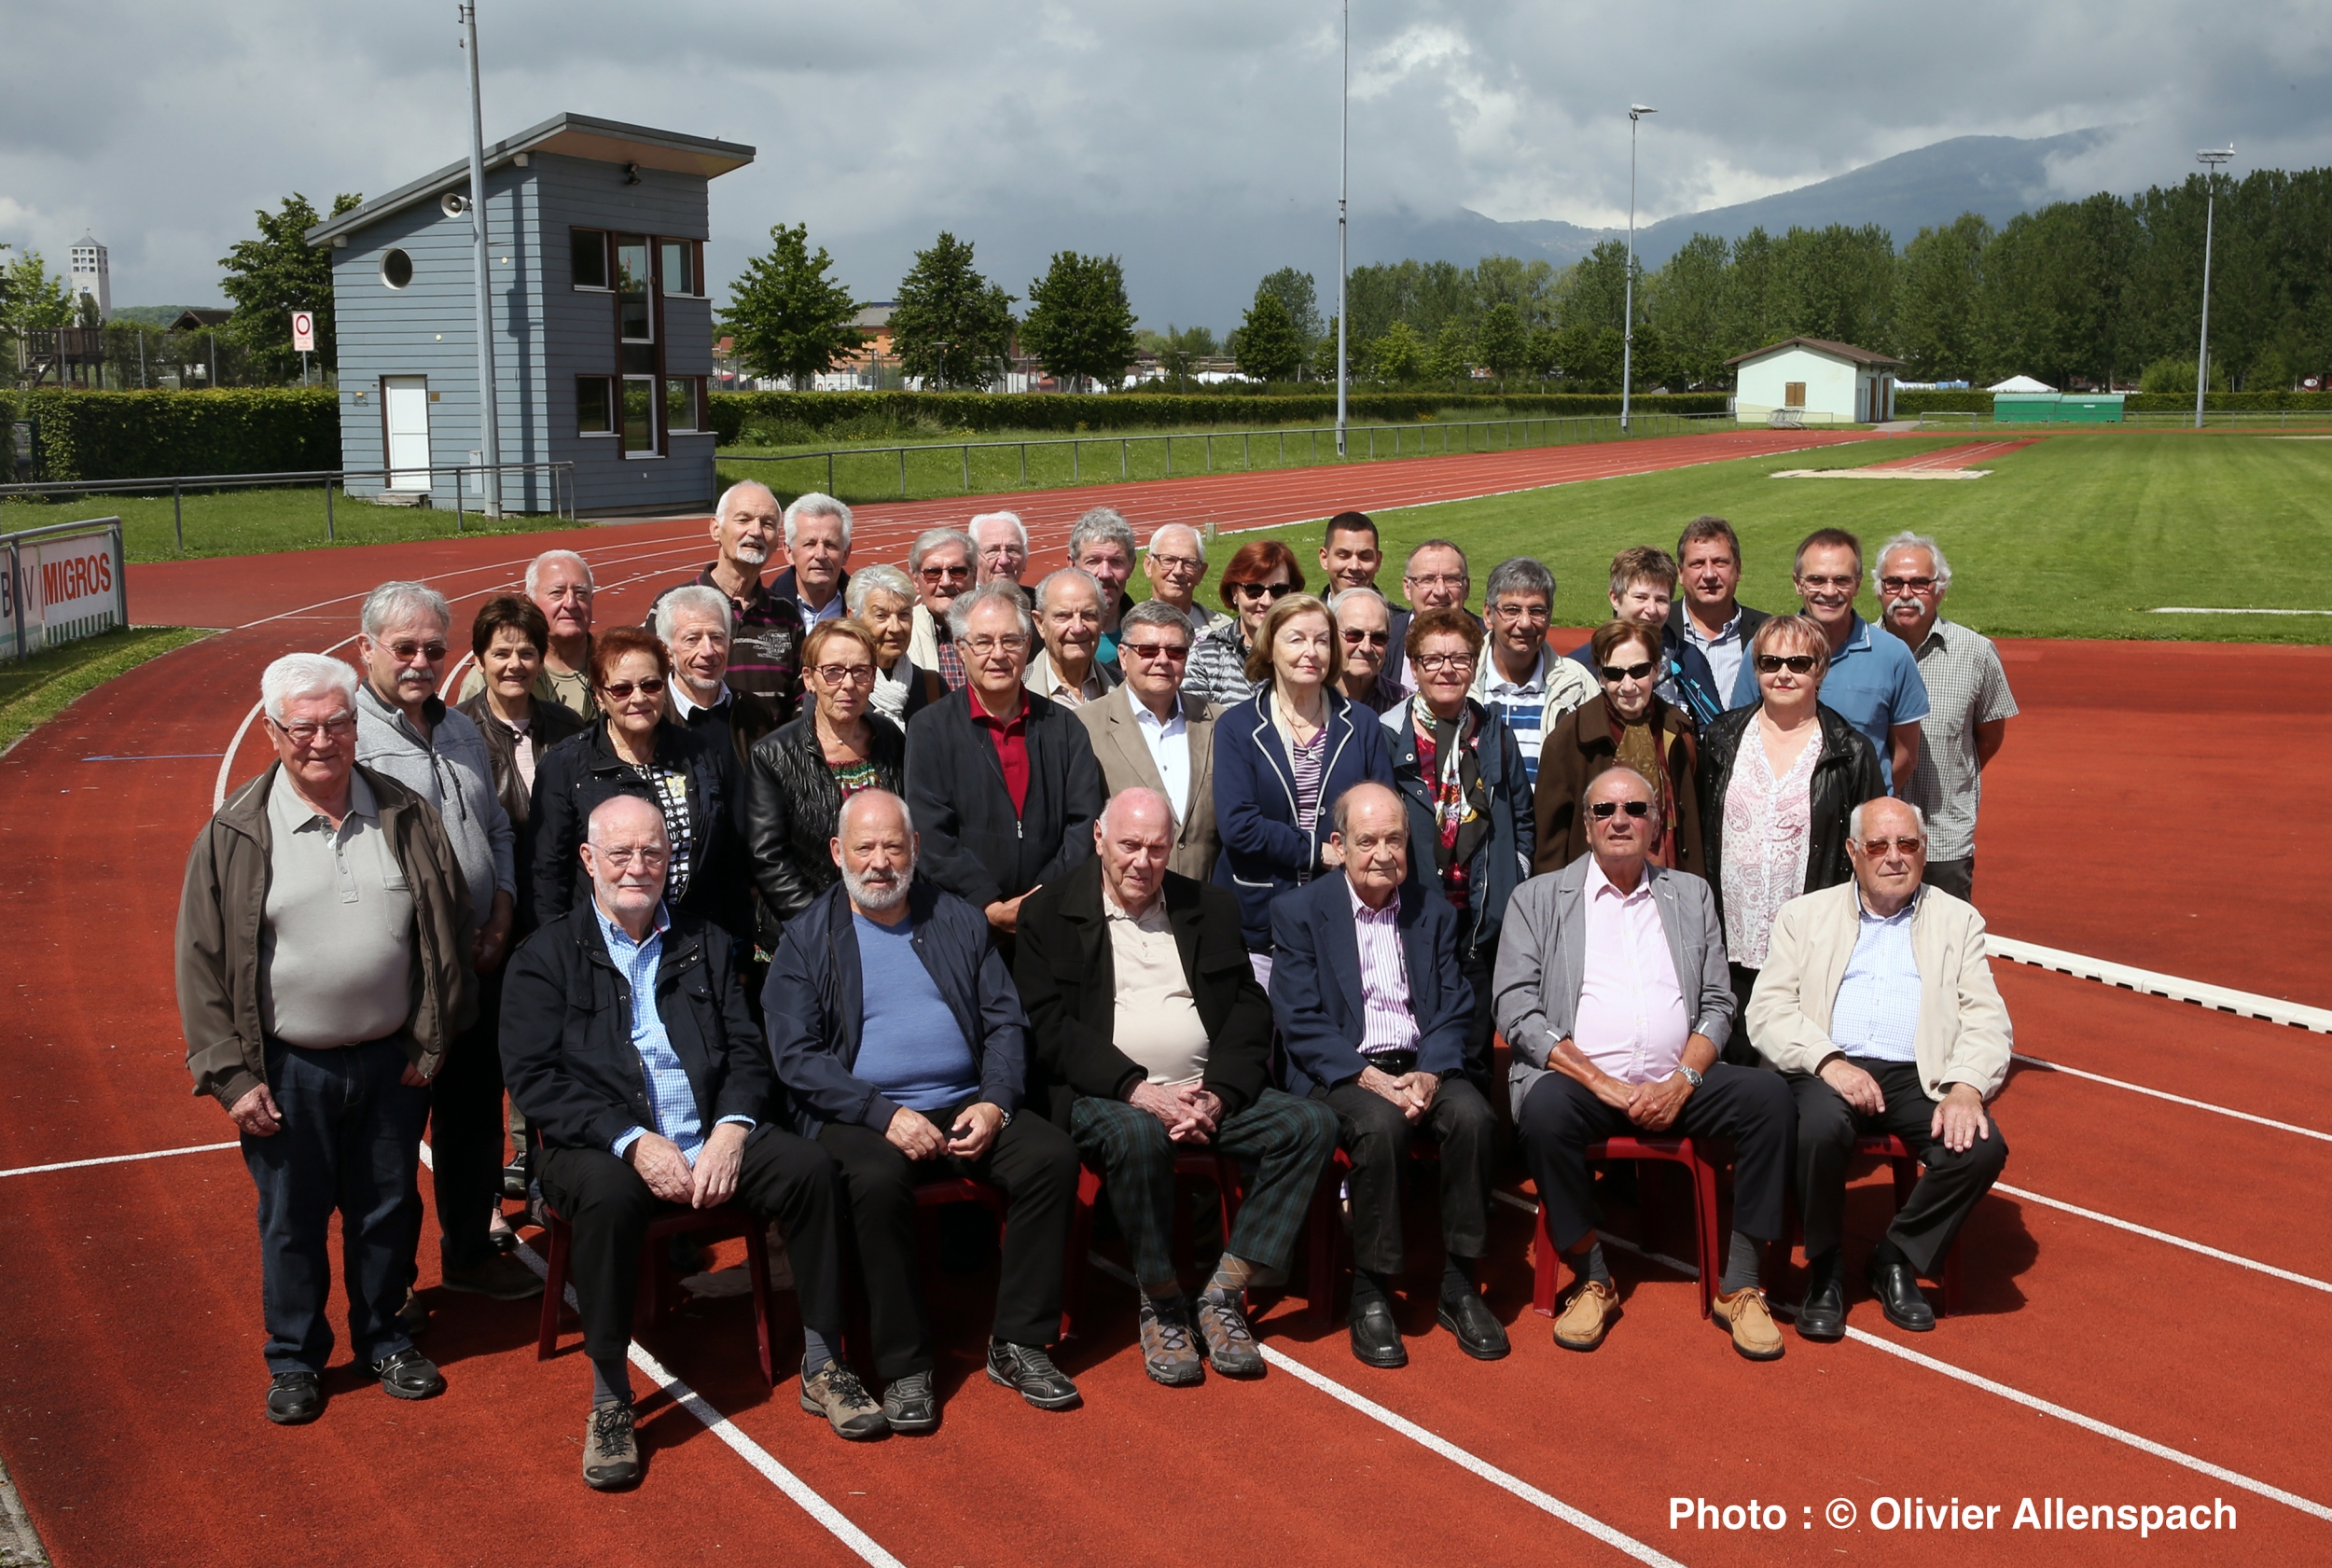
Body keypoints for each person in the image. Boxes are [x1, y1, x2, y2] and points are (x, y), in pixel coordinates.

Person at [501, 796, 875, 1484]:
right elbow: (534, 1079)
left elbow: (746, 1049)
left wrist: (733, 1130)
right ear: (589, 861)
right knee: (610, 1199)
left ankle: (825, 1362)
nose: (636, 866)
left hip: (708, 1132)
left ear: (669, 859)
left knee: (812, 1168)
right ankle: (612, 1397)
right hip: (601, 1146)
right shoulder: (544, 957)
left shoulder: (704, 941)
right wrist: (631, 1139)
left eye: (651, 852)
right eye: (620, 853)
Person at [176, 653, 473, 1425]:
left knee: (387, 1209)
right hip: (289, 1067)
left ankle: (384, 1336)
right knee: (292, 1220)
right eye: (303, 726)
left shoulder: (406, 813)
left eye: (337, 723)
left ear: (355, 727)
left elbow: (445, 934)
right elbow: (201, 964)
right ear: (272, 732)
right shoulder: (237, 831)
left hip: (390, 1062)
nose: (322, 740)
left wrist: (430, 1041)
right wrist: (231, 1078)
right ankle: (296, 1357)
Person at [765, 789, 1085, 1426]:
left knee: (1051, 1157)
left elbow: (1004, 1022)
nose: (879, 861)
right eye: (865, 847)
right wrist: (882, 1113)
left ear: (914, 849)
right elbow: (797, 1055)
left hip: (965, 1100)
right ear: (837, 853)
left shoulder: (958, 919)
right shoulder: (807, 938)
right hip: (862, 1114)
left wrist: (995, 1102)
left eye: (892, 845)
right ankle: (906, 1364)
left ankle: (1018, 1341)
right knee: (876, 1181)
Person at [1015, 791, 1338, 1385]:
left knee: (1310, 1124)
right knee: (1140, 1134)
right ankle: (1162, 1300)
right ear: (1099, 840)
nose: (1142, 861)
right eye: (1129, 846)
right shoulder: (1049, 912)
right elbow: (1049, 1028)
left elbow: (1248, 1008)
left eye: (1157, 849)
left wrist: (1216, 1094)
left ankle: (1222, 1294)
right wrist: (1137, 1089)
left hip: (1202, 1091)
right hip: (1107, 1096)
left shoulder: (1207, 907)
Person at [1493, 768, 1797, 1363]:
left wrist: (1683, 1079)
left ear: (1656, 823)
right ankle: (1591, 1275)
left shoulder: (1691, 894)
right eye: (1604, 810)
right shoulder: (1537, 898)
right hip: (1583, 1084)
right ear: (1587, 825)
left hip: (1679, 1080)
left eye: (1635, 808)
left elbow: (1718, 1002)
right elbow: (1515, 1008)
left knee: (1772, 1099)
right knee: (1544, 1108)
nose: (1620, 819)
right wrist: (1598, 1080)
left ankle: (1739, 1285)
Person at [1748, 797, 2012, 1340]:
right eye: (1878, 845)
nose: (1894, 857)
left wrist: (1966, 1087)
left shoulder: (1958, 920)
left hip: (1921, 1074)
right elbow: (1768, 1010)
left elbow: (1986, 1017)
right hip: (1827, 1066)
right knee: (1819, 1129)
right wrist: (1828, 1061)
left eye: (1908, 844)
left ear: (1923, 851)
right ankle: (1826, 1270)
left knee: (1981, 1147)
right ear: (1853, 852)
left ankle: (1894, 1257)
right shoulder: (1804, 916)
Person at [1268, 783, 1505, 1368]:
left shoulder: (1434, 914)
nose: (1381, 853)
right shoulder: (1300, 913)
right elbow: (1299, 1018)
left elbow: (1454, 1007)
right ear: (1338, 845)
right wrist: (1368, 1076)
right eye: (1366, 840)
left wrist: (1428, 1073)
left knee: (1474, 1116)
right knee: (1381, 1128)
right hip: (1343, 1074)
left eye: (1393, 840)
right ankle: (1371, 1291)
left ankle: (1458, 1282)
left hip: (1421, 1063)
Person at [351, 582, 536, 1307]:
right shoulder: (354, 738)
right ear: (366, 648)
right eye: (405, 648)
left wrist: (502, 906)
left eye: (433, 648)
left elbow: (492, 828)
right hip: (402, 977)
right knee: (392, 1140)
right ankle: (390, 1289)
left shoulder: (459, 727)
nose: (421, 661)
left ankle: (466, 1251)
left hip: (478, 962)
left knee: (471, 1121)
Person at [1697, 614, 1885, 1060]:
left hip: (1809, 947)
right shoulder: (1720, 739)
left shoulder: (1850, 751)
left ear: (1820, 670)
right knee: (1732, 1065)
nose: (1783, 673)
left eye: (1799, 663)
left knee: (1796, 1069)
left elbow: (1870, 850)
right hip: (1730, 942)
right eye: (1770, 662)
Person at [1381, 607, 1534, 1093]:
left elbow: (1522, 819)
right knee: (1414, 1044)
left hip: (1479, 924)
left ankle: (1474, 1156)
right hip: (1411, 921)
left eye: (1461, 659)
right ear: (1414, 666)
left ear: (1476, 664)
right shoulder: (1386, 737)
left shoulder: (1494, 734)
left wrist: (1514, 875)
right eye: (1433, 660)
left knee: (1472, 1053)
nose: (1447, 669)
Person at [903, 580, 1107, 942]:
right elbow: (931, 833)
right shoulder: (930, 728)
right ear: (960, 649)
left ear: (1028, 645)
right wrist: (989, 904)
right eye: (983, 642)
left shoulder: (1065, 727)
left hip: (1052, 923)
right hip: (962, 925)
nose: (998, 654)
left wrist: (1043, 897)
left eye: (1011, 641)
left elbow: (1084, 824)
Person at [1213, 592, 1395, 975]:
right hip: (1262, 923)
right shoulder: (1239, 727)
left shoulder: (1361, 725)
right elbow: (1239, 827)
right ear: (1269, 648)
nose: (1310, 652)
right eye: (1296, 639)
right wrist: (1319, 851)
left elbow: (1383, 817)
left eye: (1322, 640)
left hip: (1345, 915)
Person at [530, 627, 748, 944]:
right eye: (621, 689)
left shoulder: (700, 755)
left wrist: (735, 947)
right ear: (599, 697)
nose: (639, 698)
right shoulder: (566, 765)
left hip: (692, 940)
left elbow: (728, 861)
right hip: (600, 946)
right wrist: (556, 955)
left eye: (651, 685)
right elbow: (547, 876)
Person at [1872, 532, 2017, 901]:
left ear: (1940, 589)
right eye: (1894, 583)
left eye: (1920, 583)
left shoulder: (1976, 653)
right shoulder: (1856, 651)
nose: (1906, 593)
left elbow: (1989, 736)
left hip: (1942, 838)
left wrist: (1955, 778)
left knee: (1944, 947)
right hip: (1870, 839)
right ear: (1878, 590)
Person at [745, 619, 907, 940]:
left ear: (874, 678)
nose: (848, 684)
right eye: (833, 671)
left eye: (860, 671)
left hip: (889, 921)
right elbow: (769, 858)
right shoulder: (772, 754)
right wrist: (828, 927)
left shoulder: (889, 738)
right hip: (808, 933)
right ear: (809, 679)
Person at [1732, 528, 1927, 792]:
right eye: (1816, 579)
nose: (1829, 591)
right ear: (1797, 582)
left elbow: (1906, 755)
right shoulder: (1764, 650)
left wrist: (1868, 795)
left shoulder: (1893, 654)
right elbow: (1740, 732)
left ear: (1857, 583)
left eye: (1841, 580)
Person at [1533, 619, 1704, 878]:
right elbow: (1550, 846)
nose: (1627, 685)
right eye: (1614, 673)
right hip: (1594, 895)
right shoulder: (1567, 740)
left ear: (1656, 669)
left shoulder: (1678, 731)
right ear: (1601, 676)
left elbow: (1692, 827)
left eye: (1639, 671)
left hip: (1669, 888)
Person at [459, 595, 587, 937]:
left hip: (559, 906)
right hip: (487, 912)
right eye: (500, 653)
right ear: (479, 661)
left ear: (541, 660)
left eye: (527, 653)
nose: (514, 665)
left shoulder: (570, 727)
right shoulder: (455, 733)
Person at [1076, 600, 1224, 882]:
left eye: (1176, 652)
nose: (1163, 660)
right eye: (1148, 650)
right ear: (1123, 655)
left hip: (1204, 901)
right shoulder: (1084, 726)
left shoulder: (1218, 722)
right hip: (1122, 903)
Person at [648, 479, 805, 721]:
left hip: (765, 756)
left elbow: (800, 701)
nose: (755, 531)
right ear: (715, 529)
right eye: (743, 520)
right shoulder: (671, 604)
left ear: (776, 539)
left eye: (767, 523)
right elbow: (648, 684)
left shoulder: (787, 615)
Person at [1565, 547, 1726, 727]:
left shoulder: (1687, 658)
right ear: (1615, 598)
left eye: (1661, 600)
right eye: (1641, 597)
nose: (1651, 610)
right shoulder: (1579, 667)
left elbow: (1715, 730)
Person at [1473, 556, 1598, 786]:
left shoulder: (1578, 684)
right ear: (1488, 615)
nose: (1525, 623)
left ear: (1549, 617)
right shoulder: (1463, 679)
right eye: (1511, 610)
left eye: (1537, 611)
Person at [456, 548, 597, 718]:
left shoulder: (613, 666)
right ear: (528, 601)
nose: (571, 603)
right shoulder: (489, 675)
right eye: (557, 593)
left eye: (581, 593)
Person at [657, 583, 781, 770]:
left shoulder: (754, 714)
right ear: (666, 651)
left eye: (716, 638)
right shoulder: (651, 717)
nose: (708, 651)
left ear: (730, 645)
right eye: (692, 639)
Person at [1183, 540, 1302, 707]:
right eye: (1254, 590)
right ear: (1234, 593)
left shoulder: (1307, 654)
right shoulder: (1206, 657)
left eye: (1278, 591)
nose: (1266, 601)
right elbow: (1195, 725)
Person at [1666, 516, 1769, 706]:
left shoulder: (1769, 632)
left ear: (1737, 569)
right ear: (1680, 573)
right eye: (1697, 563)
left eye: (1720, 562)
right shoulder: (1658, 627)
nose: (1709, 574)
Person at [849, 562, 943, 724]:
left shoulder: (931, 686)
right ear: (853, 618)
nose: (895, 627)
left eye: (903, 614)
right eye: (881, 615)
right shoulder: (838, 687)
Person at [1024, 566, 1121, 707]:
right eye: (1063, 616)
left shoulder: (1124, 686)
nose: (1078, 628)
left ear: (1102, 621)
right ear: (1040, 623)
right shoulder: (1017, 690)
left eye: (1089, 615)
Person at [1386, 539, 1475, 687]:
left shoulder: (1489, 640)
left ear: (1466, 588)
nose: (1440, 591)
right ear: (1407, 589)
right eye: (1427, 580)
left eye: (1451, 579)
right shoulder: (1384, 637)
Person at [905, 526, 977, 690]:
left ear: (974, 575)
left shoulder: (996, 628)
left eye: (957, 571)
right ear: (916, 581)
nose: (945, 582)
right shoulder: (903, 635)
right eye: (933, 573)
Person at [771, 492, 854, 626]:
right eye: (809, 544)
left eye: (830, 545)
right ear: (789, 552)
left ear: (845, 553)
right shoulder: (764, 610)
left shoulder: (864, 610)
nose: (820, 555)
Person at [1068, 506, 1139, 656]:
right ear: (1072, 565)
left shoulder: (1147, 635)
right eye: (1093, 561)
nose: (1105, 574)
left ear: (1131, 566)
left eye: (1116, 561)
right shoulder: (1044, 635)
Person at [1327, 587, 1407, 715]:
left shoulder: (1405, 706)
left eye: (1378, 638)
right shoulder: (1310, 698)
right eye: (1354, 635)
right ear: (1331, 636)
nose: (1366, 647)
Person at [1143, 522, 1221, 634]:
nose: (1178, 571)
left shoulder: (1224, 629)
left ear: (1201, 573)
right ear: (1148, 566)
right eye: (1168, 560)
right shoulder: (1126, 629)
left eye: (1189, 563)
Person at [1317, 510, 1384, 595]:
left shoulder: (1389, 609)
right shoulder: (1304, 609)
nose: (1354, 566)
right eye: (1343, 556)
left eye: (1365, 557)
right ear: (1324, 558)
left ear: (1378, 561)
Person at [969, 510, 1030, 587]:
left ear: (1025, 560)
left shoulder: (1037, 598)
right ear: (973, 560)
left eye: (1012, 550)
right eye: (993, 551)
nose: (1004, 560)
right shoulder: (959, 598)